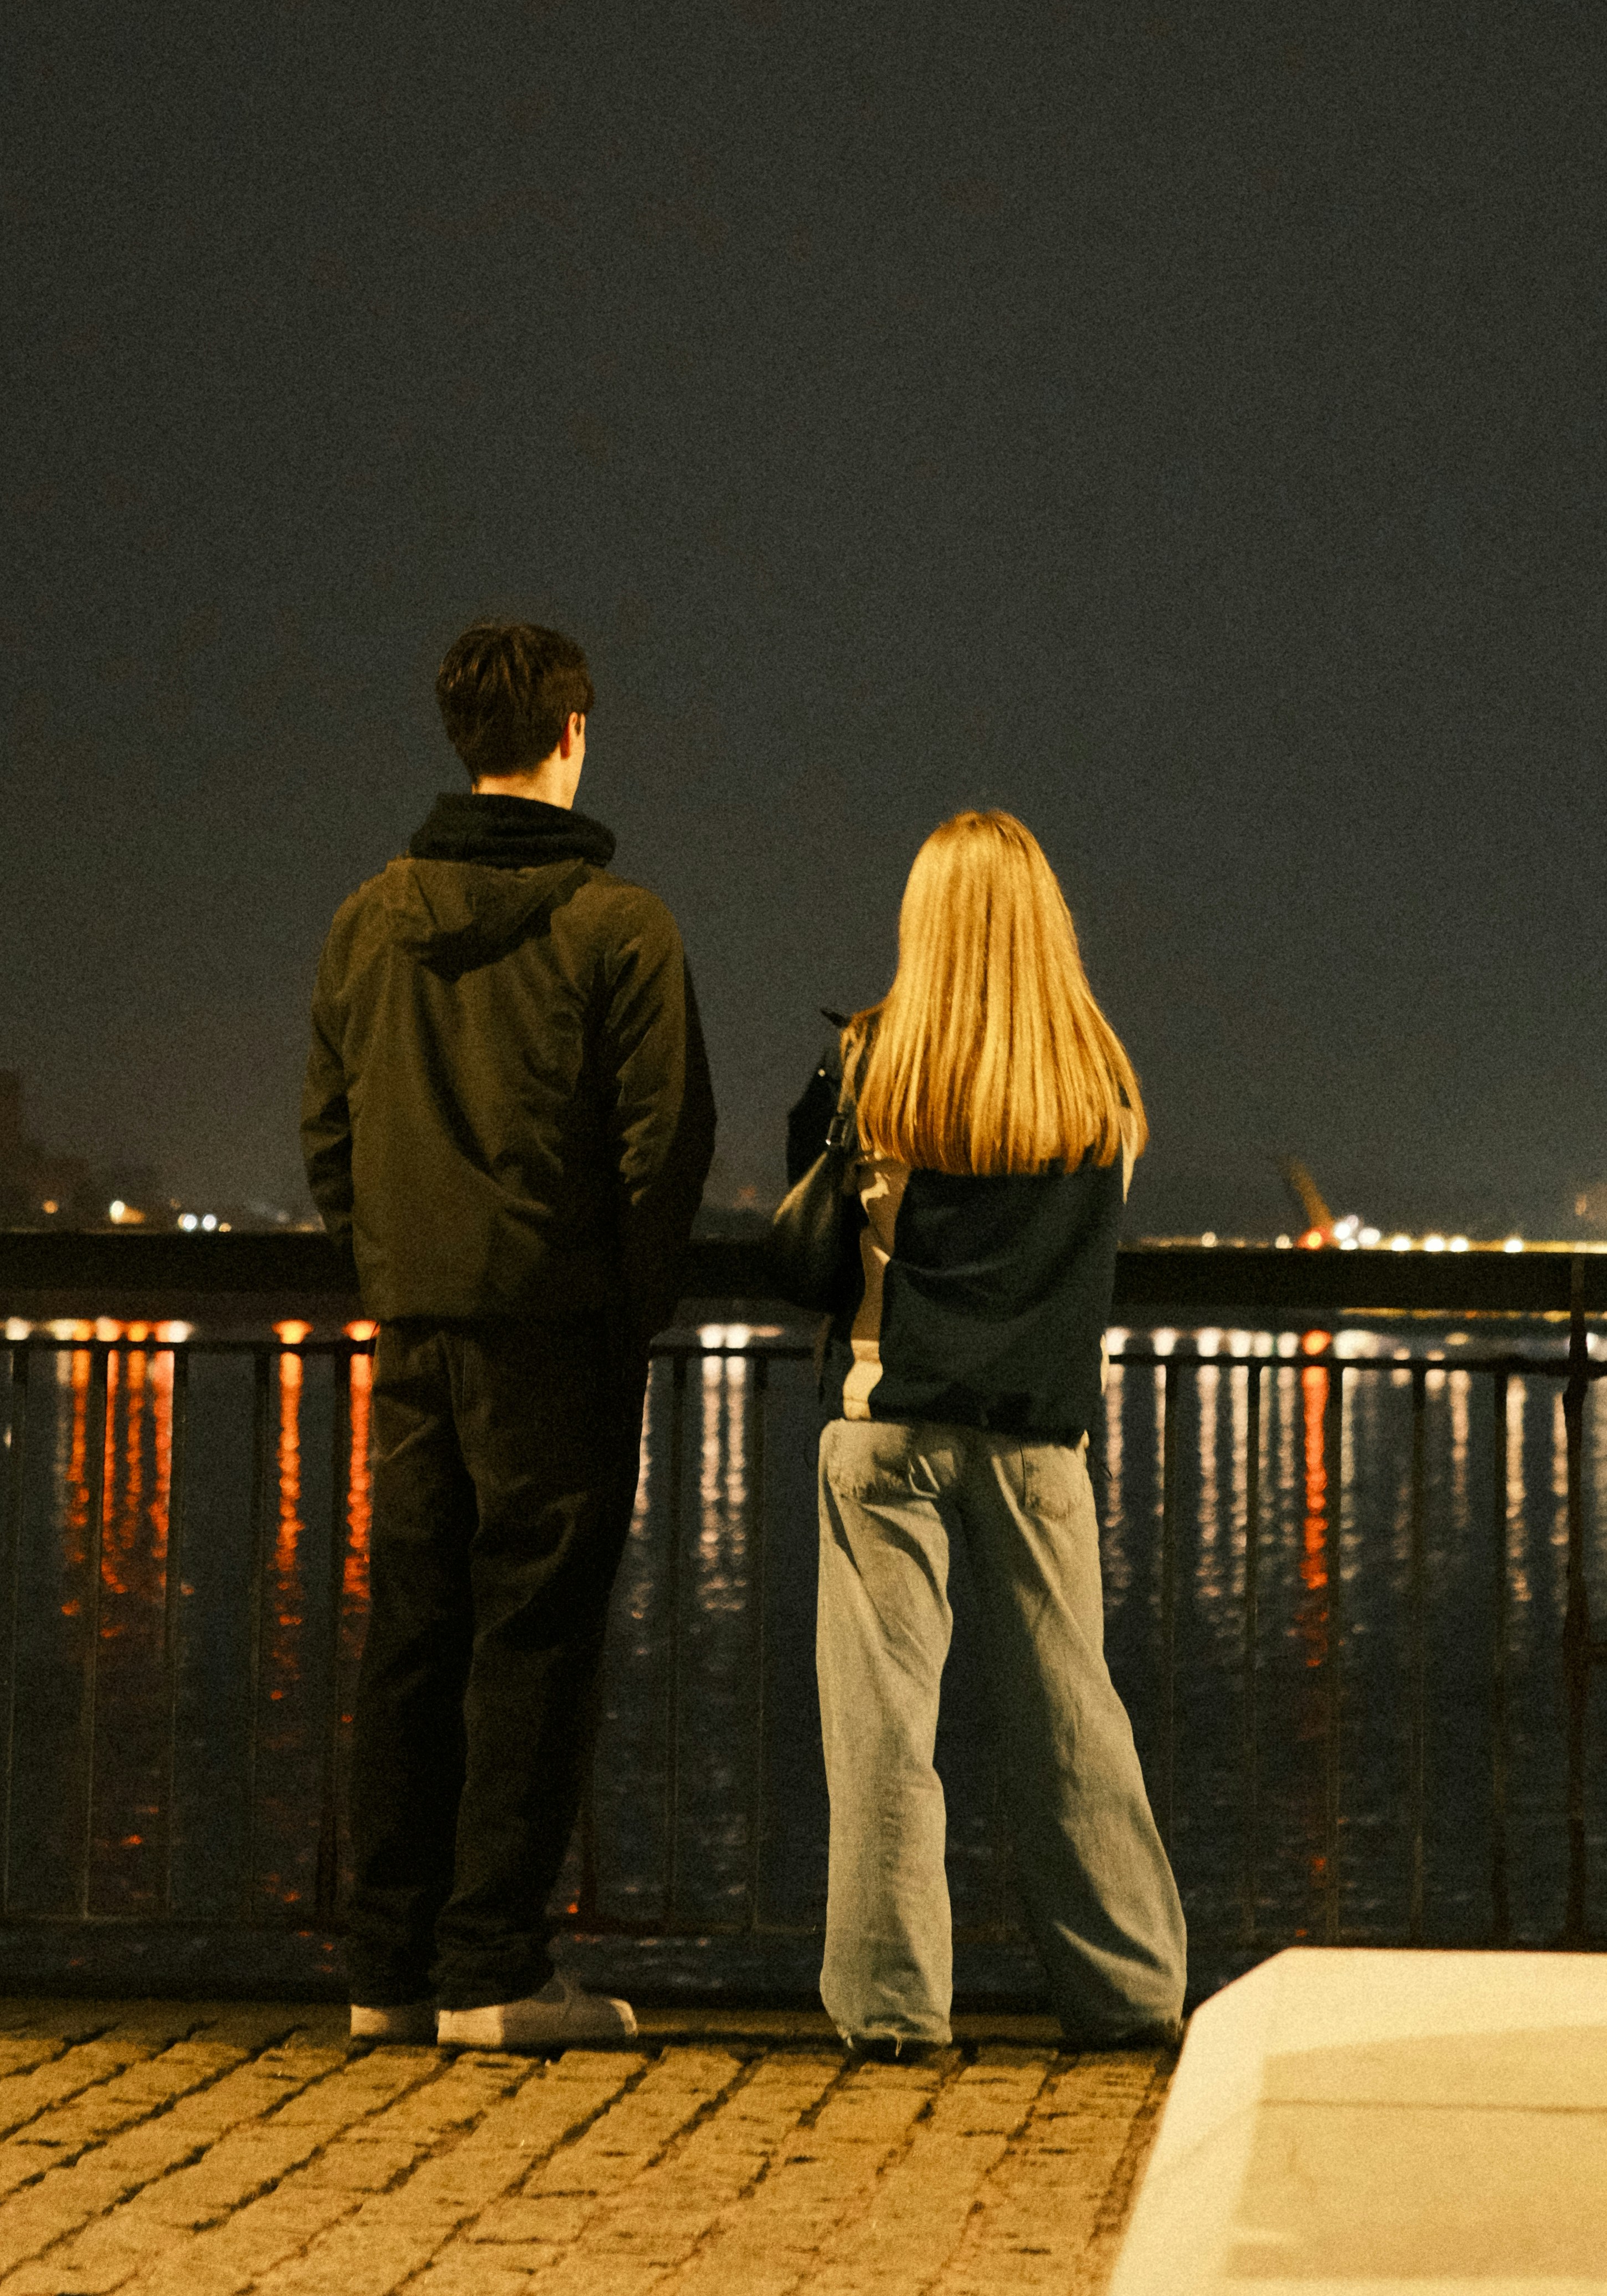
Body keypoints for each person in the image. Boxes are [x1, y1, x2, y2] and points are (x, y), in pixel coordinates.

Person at [302, 618, 715, 2050]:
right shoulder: (620, 928)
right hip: (557, 1333)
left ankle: (387, 1969)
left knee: (412, 1635)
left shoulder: (367, 920)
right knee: (535, 1644)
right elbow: (666, 1148)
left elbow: (328, 1132)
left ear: (460, 735)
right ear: (573, 732)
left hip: (415, 1326)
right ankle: (493, 1967)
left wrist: (390, 1270)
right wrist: (625, 1307)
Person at [801, 808, 1187, 2052]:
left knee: (883, 1731)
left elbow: (817, 1215)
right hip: (1036, 1437)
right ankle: (1128, 1993)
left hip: (887, 1421)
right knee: (1072, 1720)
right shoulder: (1099, 1080)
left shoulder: (871, 1064)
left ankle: (893, 2009)